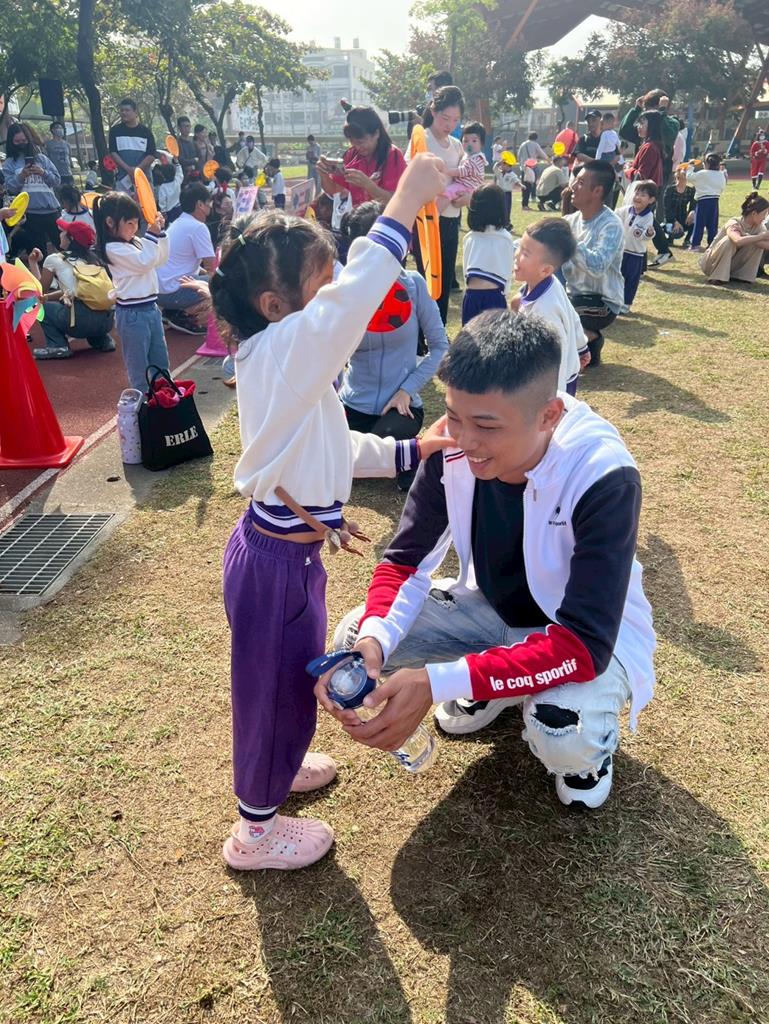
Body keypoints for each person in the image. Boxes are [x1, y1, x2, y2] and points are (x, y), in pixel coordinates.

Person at [208, 153, 454, 871]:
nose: (339, 296)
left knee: (289, 679)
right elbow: (352, 304)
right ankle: (255, 831)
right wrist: (403, 202)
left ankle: (277, 774)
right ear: (274, 307)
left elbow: (332, 445)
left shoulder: (288, 365)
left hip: (287, 553)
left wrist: (411, 451)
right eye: (323, 286)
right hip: (275, 564)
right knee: (270, 694)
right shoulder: (285, 353)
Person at [322, 310, 656, 812]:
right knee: (356, 639)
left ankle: (583, 753)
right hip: (490, 609)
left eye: (485, 425)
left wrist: (441, 682)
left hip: (582, 637)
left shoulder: (603, 473)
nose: (464, 440)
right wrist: (375, 641)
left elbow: (584, 645)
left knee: (561, 727)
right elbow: (406, 561)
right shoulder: (452, 443)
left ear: (549, 415)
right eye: (454, 415)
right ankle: (494, 681)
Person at [338, 201, 449, 490]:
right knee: (334, 454)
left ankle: (396, 458)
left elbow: (440, 346)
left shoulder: (414, 285)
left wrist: (406, 391)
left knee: (380, 443)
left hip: (398, 409)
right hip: (352, 404)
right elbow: (328, 353)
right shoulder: (343, 292)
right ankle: (391, 459)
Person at [405, 86, 470, 323]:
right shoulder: (422, 140)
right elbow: (410, 179)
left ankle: (439, 333)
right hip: (427, 222)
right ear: (433, 111)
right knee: (428, 282)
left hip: (451, 220)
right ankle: (426, 334)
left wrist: (466, 197)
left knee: (444, 280)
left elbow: (466, 178)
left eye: (455, 119)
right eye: (445, 118)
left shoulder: (456, 144)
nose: (450, 124)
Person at [93, 191, 170, 390]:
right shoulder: (112, 249)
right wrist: (152, 235)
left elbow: (158, 259)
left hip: (150, 308)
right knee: (139, 366)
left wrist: (160, 233)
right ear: (110, 222)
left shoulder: (134, 241)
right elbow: (144, 262)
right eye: (129, 223)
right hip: (132, 314)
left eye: (136, 223)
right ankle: (143, 403)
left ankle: (166, 399)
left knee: (160, 361)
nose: (134, 228)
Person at [561, 160, 625, 367]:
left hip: (603, 302)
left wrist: (569, 241)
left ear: (597, 191)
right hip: (575, 295)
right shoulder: (570, 221)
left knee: (557, 312)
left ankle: (589, 337)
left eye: (580, 182)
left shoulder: (611, 225)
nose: (573, 186)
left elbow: (597, 266)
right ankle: (588, 342)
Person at [511, 218, 586, 394]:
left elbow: (554, 360)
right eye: (520, 247)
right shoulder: (548, 282)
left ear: (545, 270)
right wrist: (582, 347)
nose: (516, 255)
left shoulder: (544, 311)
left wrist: (553, 399)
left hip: (553, 389)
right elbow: (573, 316)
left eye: (525, 253)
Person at [27, 219, 115, 360]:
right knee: (87, 302)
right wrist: (49, 297)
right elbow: (74, 291)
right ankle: (103, 340)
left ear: (71, 238)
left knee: (41, 307)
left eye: (63, 232)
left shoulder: (54, 259)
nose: (60, 234)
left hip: (80, 323)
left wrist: (33, 263)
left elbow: (39, 291)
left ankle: (57, 346)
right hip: (107, 322)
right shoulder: (95, 259)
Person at [318, 106, 407, 208]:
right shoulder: (352, 155)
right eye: (352, 142)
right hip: (360, 215)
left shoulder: (393, 155)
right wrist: (323, 173)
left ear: (376, 133)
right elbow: (334, 190)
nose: (357, 147)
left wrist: (368, 185)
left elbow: (397, 201)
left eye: (360, 142)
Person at [156, 183, 215, 333]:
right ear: (200, 204)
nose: (210, 206)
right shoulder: (198, 227)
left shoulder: (178, 222)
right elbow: (212, 267)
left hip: (160, 291)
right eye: (209, 202)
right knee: (224, 283)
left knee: (209, 278)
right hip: (172, 292)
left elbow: (182, 261)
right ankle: (185, 314)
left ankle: (172, 312)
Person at [2, 122, 61, 254]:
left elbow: (57, 180)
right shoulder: (9, 163)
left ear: (29, 139)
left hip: (51, 209)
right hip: (30, 214)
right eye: (17, 141)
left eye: (24, 140)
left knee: (64, 246)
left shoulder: (42, 159)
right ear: (11, 142)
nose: (21, 144)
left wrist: (43, 172)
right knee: (38, 253)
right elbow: (10, 188)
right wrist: (21, 176)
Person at [461, 184, 515, 325]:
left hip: (472, 297)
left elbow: (465, 271)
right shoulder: (505, 238)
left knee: (470, 337)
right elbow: (508, 271)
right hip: (494, 297)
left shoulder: (470, 237)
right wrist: (505, 293)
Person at [698, 192, 769, 285]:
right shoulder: (734, 222)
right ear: (754, 213)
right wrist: (760, 237)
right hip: (711, 264)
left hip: (732, 264)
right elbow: (737, 240)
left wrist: (746, 235)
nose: (764, 218)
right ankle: (717, 277)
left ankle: (741, 276)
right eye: (764, 214)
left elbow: (767, 245)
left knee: (757, 242)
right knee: (729, 241)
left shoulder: (759, 227)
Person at [617, 181, 658, 311]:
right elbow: (614, 217)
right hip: (621, 251)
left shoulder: (648, 216)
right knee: (617, 276)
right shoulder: (625, 210)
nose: (638, 197)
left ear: (651, 200)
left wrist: (649, 233)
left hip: (636, 254)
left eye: (643, 195)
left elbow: (644, 235)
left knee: (631, 279)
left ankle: (626, 303)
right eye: (637, 193)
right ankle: (615, 300)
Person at [108, 98, 157, 194]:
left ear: (135, 112)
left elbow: (151, 155)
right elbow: (113, 153)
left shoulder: (146, 132)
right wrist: (128, 169)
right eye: (122, 110)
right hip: (122, 180)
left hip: (143, 179)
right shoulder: (115, 131)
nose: (124, 113)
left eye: (127, 110)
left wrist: (137, 170)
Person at [437, 121, 487, 213]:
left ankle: (435, 213)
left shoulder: (476, 159)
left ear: (482, 144)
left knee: (447, 192)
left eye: (474, 141)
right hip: (465, 186)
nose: (469, 144)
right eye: (466, 141)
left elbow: (462, 171)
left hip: (466, 187)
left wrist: (447, 171)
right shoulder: (468, 155)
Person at [687, 153, 727, 251]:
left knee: (699, 223)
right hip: (715, 201)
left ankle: (695, 244)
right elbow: (722, 187)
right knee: (712, 224)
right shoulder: (721, 174)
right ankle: (712, 244)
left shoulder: (703, 173)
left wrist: (690, 166)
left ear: (707, 164)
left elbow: (689, 177)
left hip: (702, 201)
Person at [625, 111, 664, 190]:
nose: (638, 126)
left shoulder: (649, 147)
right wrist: (633, 165)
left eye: (642, 123)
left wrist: (627, 170)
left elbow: (641, 176)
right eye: (639, 123)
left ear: (652, 126)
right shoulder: (653, 145)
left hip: (644, 193)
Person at [663, 165, 696, 248]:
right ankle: (670, 238)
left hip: (683, 216)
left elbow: (693, 205)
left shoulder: (691, 190)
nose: (685, 172)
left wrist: (692, 212)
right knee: (671, 230)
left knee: (696, 221)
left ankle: (687, 240)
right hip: (671, 218)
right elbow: (667, 208)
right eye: (683, 171)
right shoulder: (670, 189)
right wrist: (675, 222)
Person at [493, 157, 522, 228]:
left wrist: (521, 185)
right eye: (501, 165)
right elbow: (494, 168)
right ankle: (499, 222)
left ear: (507, 166)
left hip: (506, 194)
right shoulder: (499, 173)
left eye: (503, 165)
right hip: (499, 193)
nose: (501, 166)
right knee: (498, 208)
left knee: (506, 208)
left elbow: (516, 181)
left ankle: (506, 222)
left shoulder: (512, 174)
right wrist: (499, 163)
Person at [45, 121, 73, 185]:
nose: (60, 130)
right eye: (58, 128)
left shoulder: (67, 144)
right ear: (53, 130)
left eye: (61, 128)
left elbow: (69, 158)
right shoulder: (48, 144)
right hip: (55, 174)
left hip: (68, 174)